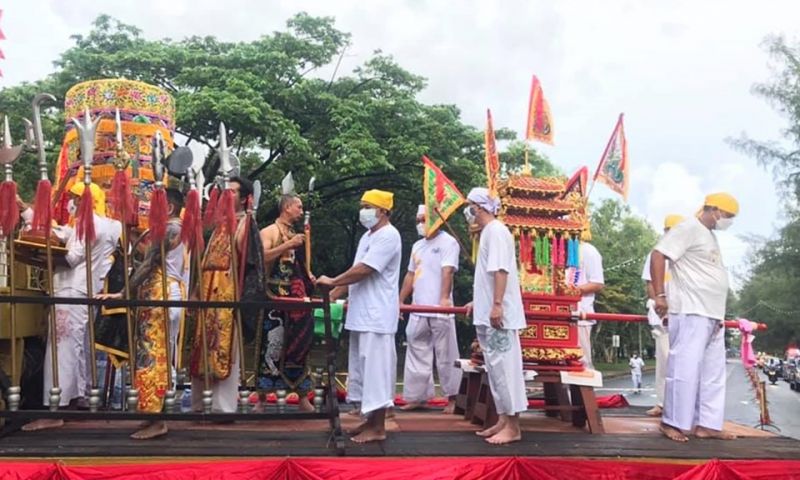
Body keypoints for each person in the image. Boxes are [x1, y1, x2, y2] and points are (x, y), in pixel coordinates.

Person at [23, 182, 122, 431]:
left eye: (75, 199)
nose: (72, 204)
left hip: (69, 290)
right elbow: (61, 231)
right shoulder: (109, 226)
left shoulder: (86, 223)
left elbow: (71, 257)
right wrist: (25, 210)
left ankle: (56, 408)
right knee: (79, 348)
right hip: (85, 292)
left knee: (62, 350)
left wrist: (39, 253)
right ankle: (81, 399)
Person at [98, 188, 188, 439]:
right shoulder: (182, 228)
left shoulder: (169, 229)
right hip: (169, 293)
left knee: (153, 356)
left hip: (160, 295)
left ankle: (157, 419)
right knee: (157, 355)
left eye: (153, 206)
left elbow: (150, 265)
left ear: (168, 208)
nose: (150, 210)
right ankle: (152, 414)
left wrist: (123, 293)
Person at [651, 192, 739, 442]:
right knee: (684, 368)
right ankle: (671, 423)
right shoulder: (688, 227)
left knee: (712, 372)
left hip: (712, 313)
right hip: (691, 309)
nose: (728, 221)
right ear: (715, 210)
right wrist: (660, 295)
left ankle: (708, 424)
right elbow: (658, 254)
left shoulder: (709, 235)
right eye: (728, 216)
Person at [316, 189, 401, 444]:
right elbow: (355, 271)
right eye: (362, 206)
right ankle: (369, 421)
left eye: (367, 206)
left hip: (377, 316)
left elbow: (365, 270)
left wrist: (332, 281)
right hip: (361, 313)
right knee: (363, 370)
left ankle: (379, 427)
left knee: (375, 372)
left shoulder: (389, 236)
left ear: (383, 211)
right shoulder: (367, 236)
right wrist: (333, 293)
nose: (363, 211)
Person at [189, 177, 263, 413]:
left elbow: (249, 260)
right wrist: (195, 291)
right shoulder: (218, 226)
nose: (226, 198)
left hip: (228, 291)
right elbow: (204, 262)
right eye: (224, 193)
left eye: (232, 193)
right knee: (201, 346)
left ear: (243, 199)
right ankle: (199, 404)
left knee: (224, 348)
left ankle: (223, 408)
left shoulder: (246, 224)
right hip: (208, 292)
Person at [463, 187, 527, 445]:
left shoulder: (497, 231)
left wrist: (497, 304)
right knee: (495, 369)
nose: (468, 212)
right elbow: (488, 277)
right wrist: (478, 301)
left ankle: (514, 426)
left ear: (479, 208)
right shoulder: (488, 233)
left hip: (500, 315)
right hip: (489, 312)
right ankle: (503, 419)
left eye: (470, 207)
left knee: (506, 368)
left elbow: (501, 271)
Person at [399, 205, 461, 414]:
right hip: (418, 307)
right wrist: (400, 301)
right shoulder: (417, 245)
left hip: (439, 308)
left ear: (435, 219)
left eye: (423, 219)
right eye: (417, 220)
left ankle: (452, 397)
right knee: (416, 349)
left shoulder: (448, 242)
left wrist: (444, 299)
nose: (419, 224)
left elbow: (448, 271)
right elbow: (410, 275)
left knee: (446, 354)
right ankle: (418, 397)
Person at [257, 194, 315, 412]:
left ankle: (302, 396)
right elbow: (262, 257)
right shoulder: (269, 231)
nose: (301, 211)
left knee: (299, 346)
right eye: (298, 207)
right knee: (271, 347)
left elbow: (302, 265)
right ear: (287, 207)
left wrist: (310, 275)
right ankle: (262, 398)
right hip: (275, 295)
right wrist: (287, 245)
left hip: (297, 297)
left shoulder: (297, 234)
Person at [641, 213, 684, 416]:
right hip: (663, 315)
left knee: (684, 362)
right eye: (670, 231)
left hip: (684, 313)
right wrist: (660, 306)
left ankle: (681, 405)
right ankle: (662, 403)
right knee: (664, 360)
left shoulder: (685, 252)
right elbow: (650, 283)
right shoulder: (655, 254)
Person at [576, 240, 604, 370]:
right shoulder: (555, 246)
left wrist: (572, 291)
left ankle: (584, 389)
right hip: (556, 314)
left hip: (580, 313)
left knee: (581, 361)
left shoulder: (588, 251)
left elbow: (597, 283)